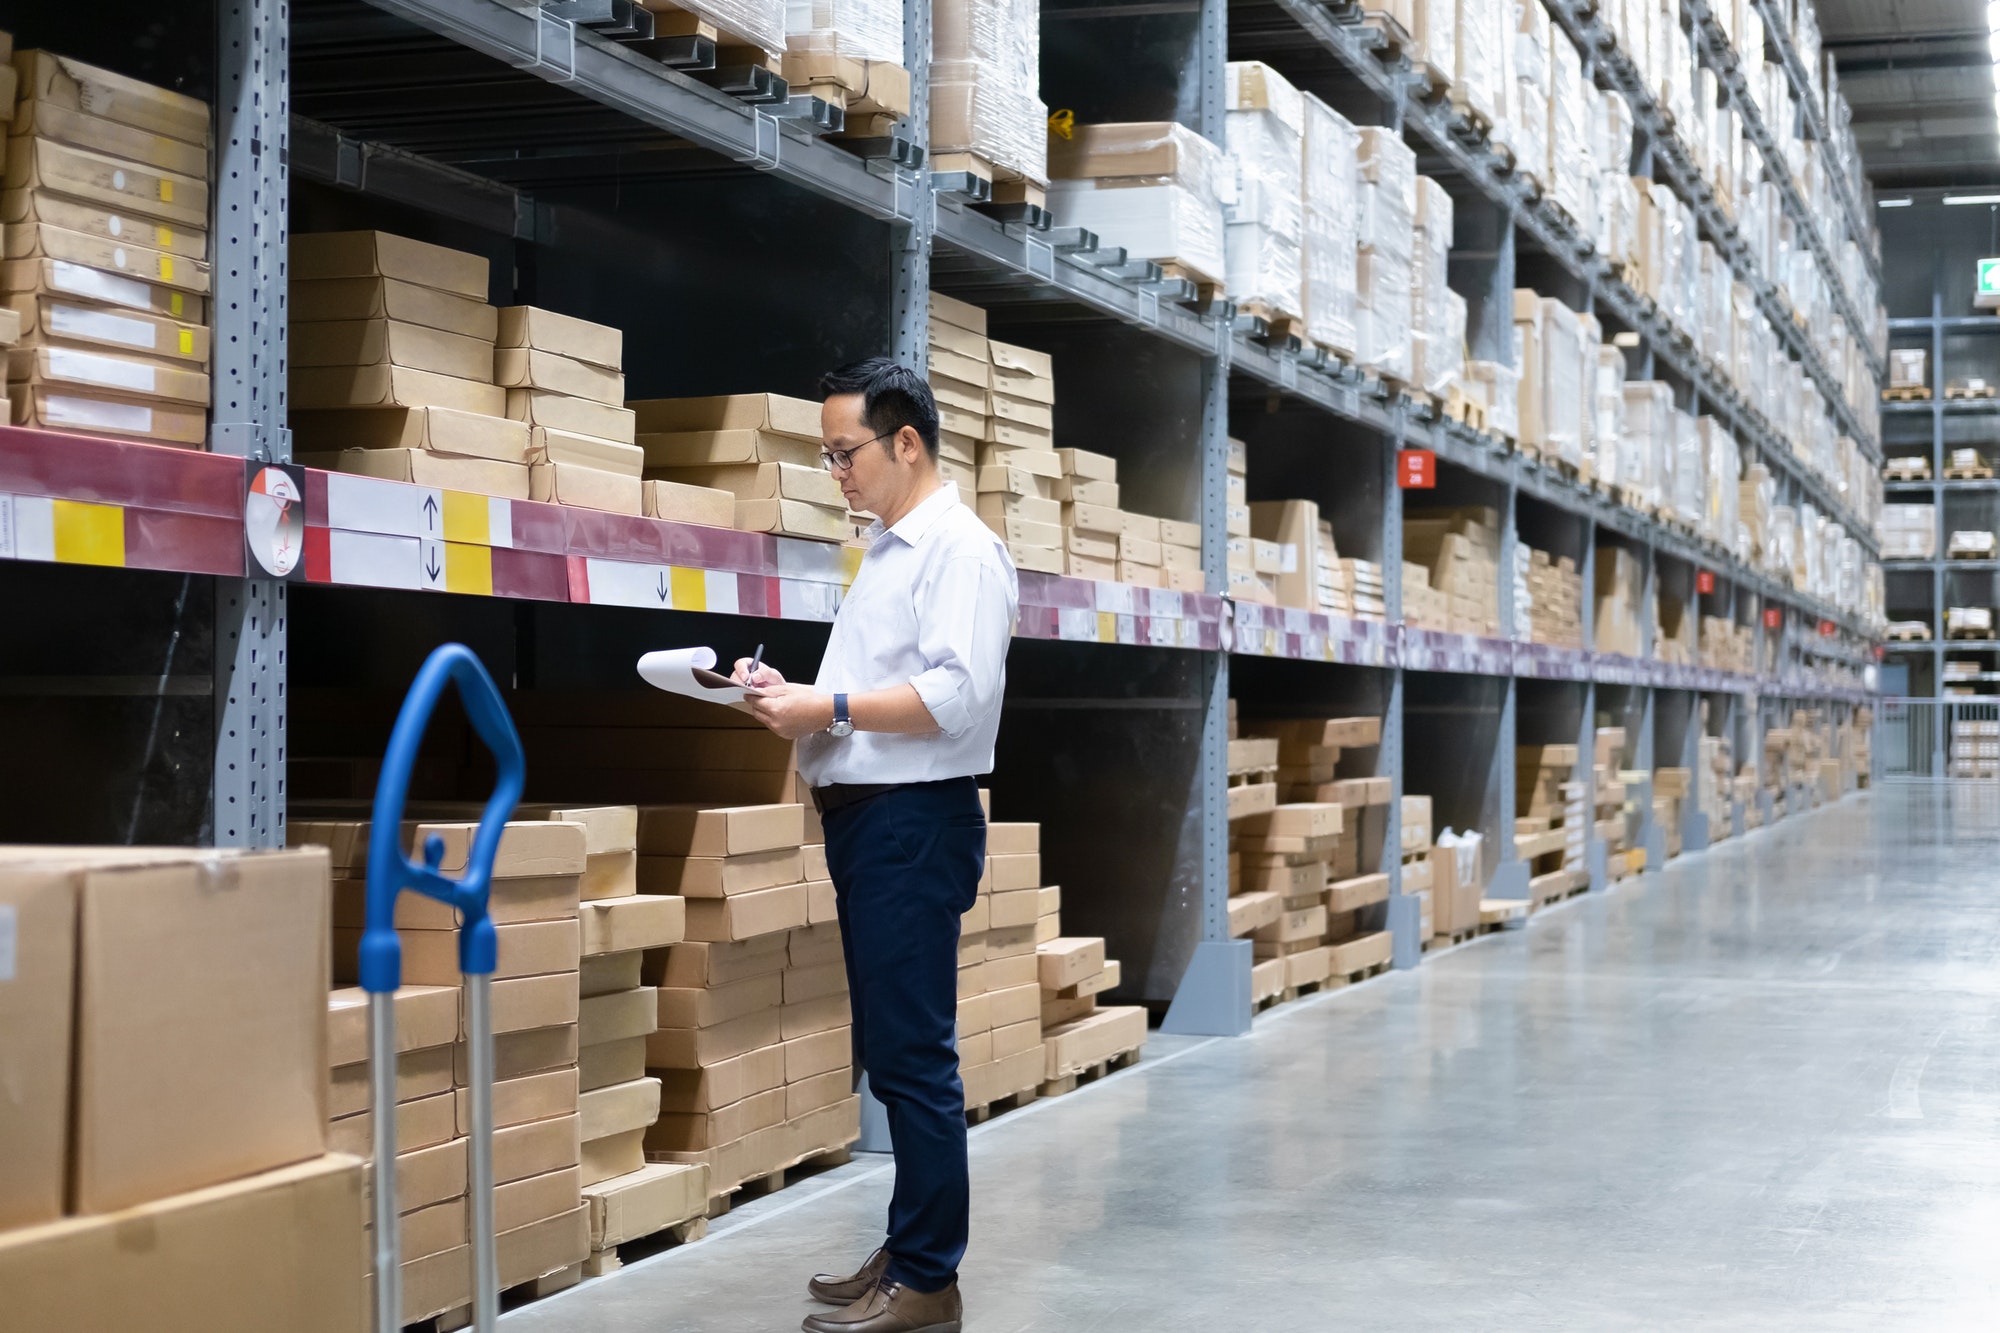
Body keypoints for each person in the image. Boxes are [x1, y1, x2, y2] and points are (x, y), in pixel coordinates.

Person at [731, 357, 1019, 1333]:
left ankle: (929, 1277)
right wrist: (789, 695)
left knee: (913, 1056)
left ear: (905, 442)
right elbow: (873, 683)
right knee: (893, 1049)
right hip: (870, 822)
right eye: (825, 456)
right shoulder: (890, 549)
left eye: (844, 452)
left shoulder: (960, 552)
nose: (835, 472)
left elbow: (956, 694)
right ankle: (907, 1245)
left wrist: (831, 705)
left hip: (912, 823)